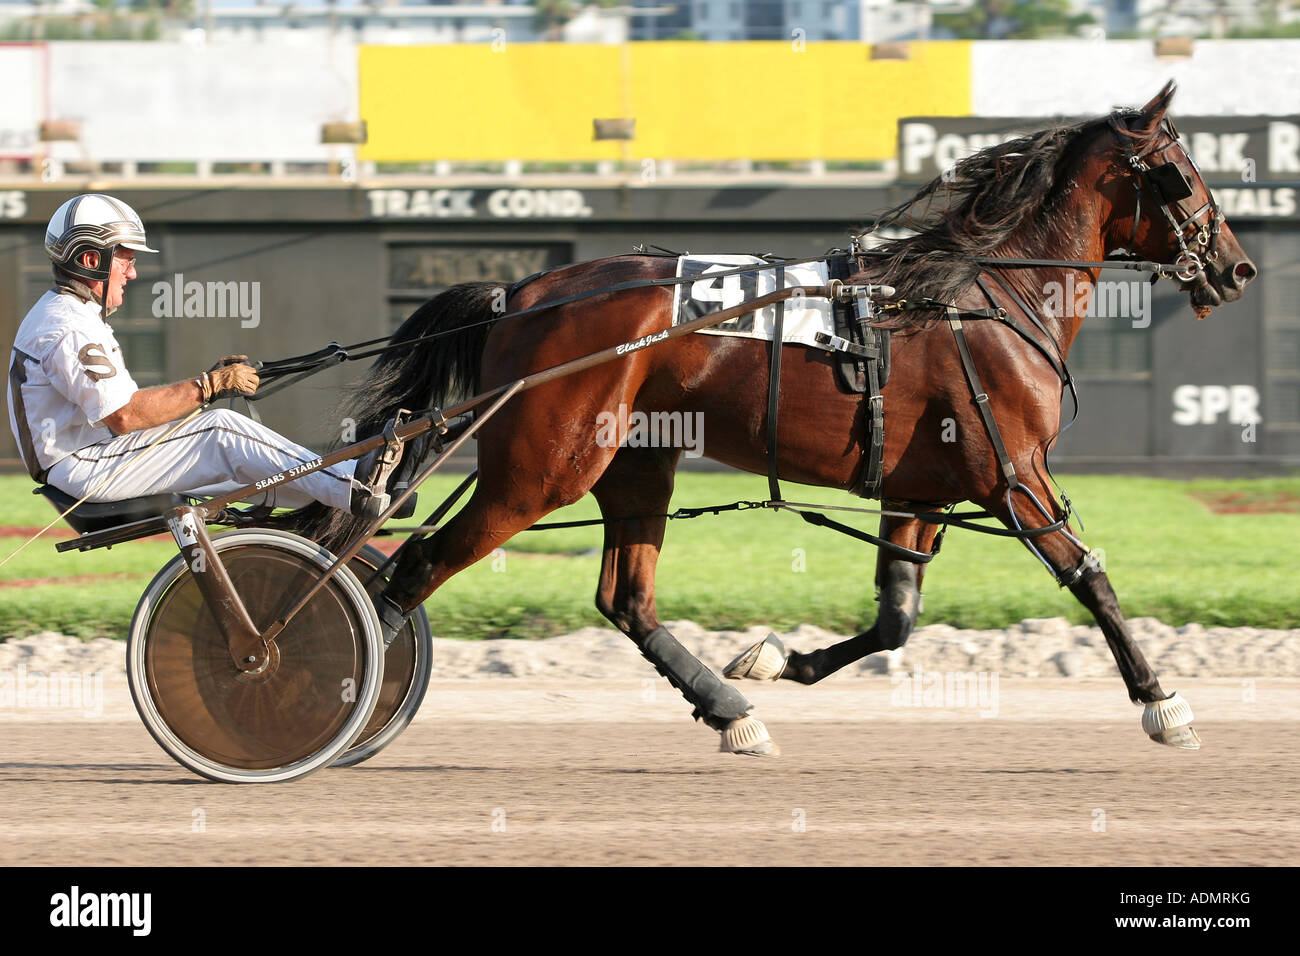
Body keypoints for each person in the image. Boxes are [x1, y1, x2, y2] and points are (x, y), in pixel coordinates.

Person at [7, 193, 386, 517]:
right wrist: (209, 386)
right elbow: (126, 415)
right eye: (126, 258)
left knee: (243, 466)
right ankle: (356, 486)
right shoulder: (67, 325)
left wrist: (206, 386)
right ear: (91, 260)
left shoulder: (70, 313)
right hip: (82, 466)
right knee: (221, 429)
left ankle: (331, 508)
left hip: (92, 456)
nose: (133, 273)